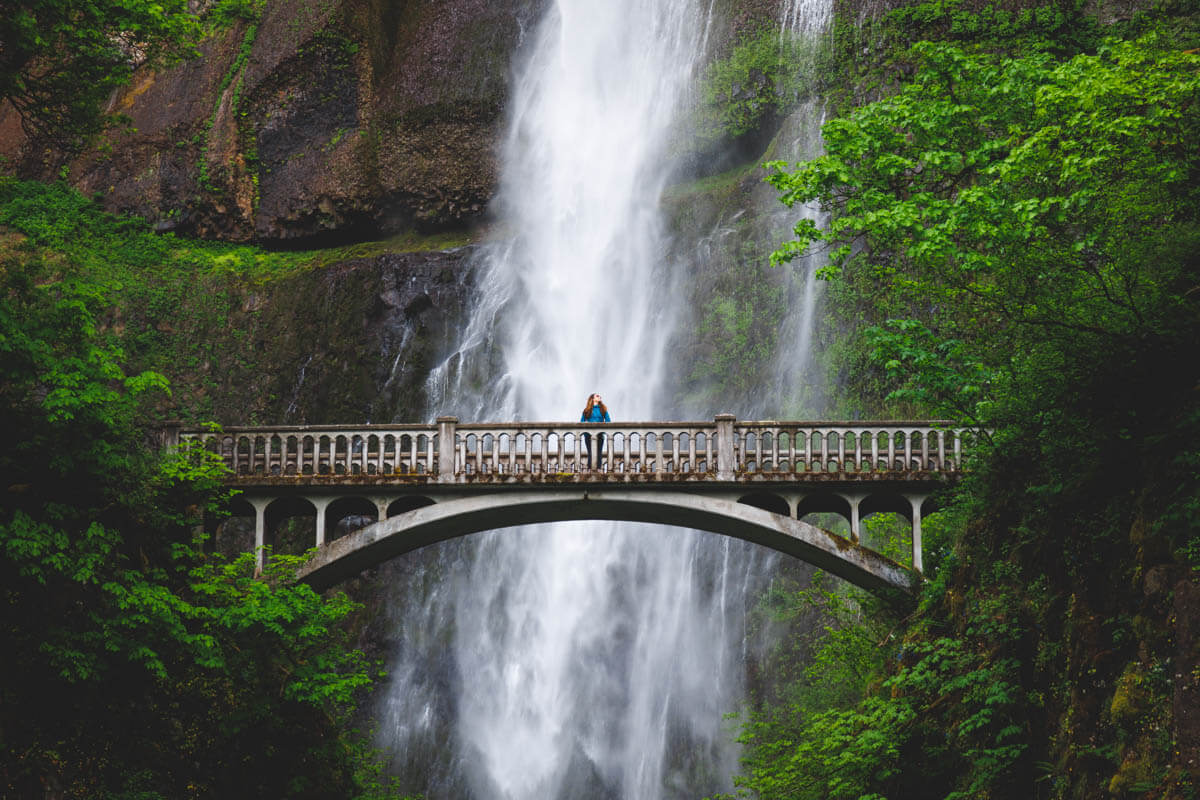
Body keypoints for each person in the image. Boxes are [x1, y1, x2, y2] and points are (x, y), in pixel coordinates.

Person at [580, 392, 610, 470]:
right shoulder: (586, 410)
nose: (599, 397)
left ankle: (599, 469)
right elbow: (581, 422)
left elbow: (608, 421)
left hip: (600, 435)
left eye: (599, 396)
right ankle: (590, 470)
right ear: (593, 399)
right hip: (588, 435)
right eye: (597, 396)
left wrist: (603, 428)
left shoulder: (603, 409)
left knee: (599, 453)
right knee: (590, 453)